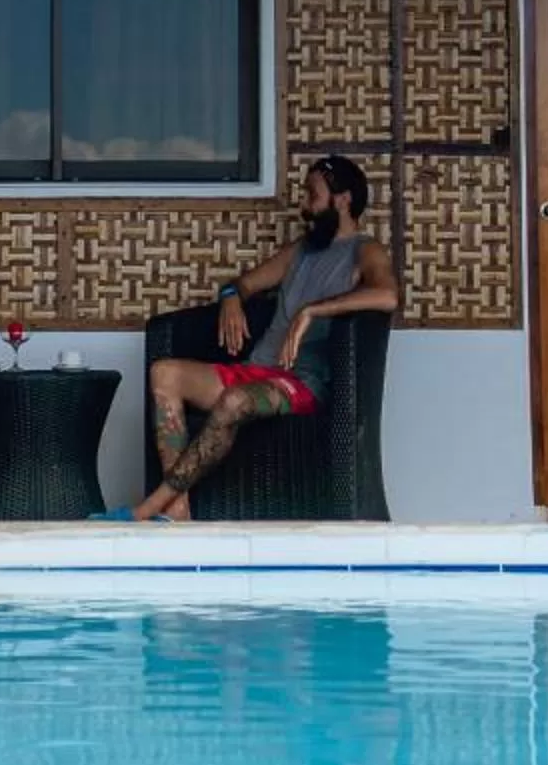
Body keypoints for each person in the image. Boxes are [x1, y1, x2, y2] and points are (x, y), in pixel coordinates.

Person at [124, 155, 398, 521]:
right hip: (257, 370)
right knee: (164, 372)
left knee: (235, 401)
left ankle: (150, 508)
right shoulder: (299, 251)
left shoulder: (364, 250)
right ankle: (179, 510)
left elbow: (388, 295)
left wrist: (312, 311)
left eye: (311, 195)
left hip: (301, 384)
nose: (303, 205)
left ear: (343, 199)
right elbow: (245, 283)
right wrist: (231, 297)